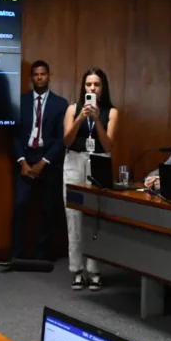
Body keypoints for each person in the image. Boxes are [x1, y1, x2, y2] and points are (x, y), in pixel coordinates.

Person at [62, 67, 119, 291]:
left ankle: (94, 270)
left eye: (96, 85)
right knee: (74, 216)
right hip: (74, 161)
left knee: (96, 215)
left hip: (99, 161)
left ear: (103, 88)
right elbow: (66, 141)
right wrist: (80, 118)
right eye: (88, 85)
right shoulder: (72, 109)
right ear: (83, 87)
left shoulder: (111, 112)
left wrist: (96, 120)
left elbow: (108, 144)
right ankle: (77, 269)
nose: (92, 88)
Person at [11, 60, 68, 259]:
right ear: (31, 78)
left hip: (49, 162)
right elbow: (14, 135)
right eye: (35, 74)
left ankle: (43, 255)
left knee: (48, 209)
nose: (39, 77)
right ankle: (17, 255)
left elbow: (62, 139)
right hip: (25, 159)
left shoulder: (61, 104)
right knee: (20, 206)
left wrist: (43, 163)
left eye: (43, 74)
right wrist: (23, 163)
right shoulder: (21, 102)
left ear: (49, 76)